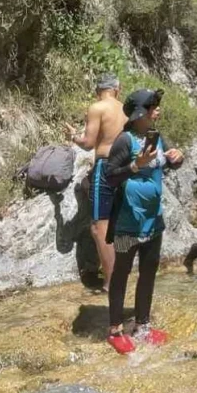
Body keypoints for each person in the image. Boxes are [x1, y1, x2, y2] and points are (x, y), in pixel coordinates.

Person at [97, 88, 185, 355]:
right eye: (153, 106)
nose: (158, 110)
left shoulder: (156, 137)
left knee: (148, 272)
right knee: (121, 273)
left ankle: (142, 326)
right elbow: (110, 176)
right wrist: (135, 165)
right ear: (139, 113)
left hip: (153, 220)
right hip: (127, 222)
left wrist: (177, 158)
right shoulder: (125, 140)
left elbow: (167, 164)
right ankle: (115, 329)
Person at [66, 72, 127, 289]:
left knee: (99, 227)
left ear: (97, 90)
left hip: (106, 166)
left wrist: (74, 137)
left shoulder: (97, 108)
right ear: (117, 89)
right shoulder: (126, 109)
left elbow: (89, 143)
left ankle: (111, 283)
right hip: (126, 167)